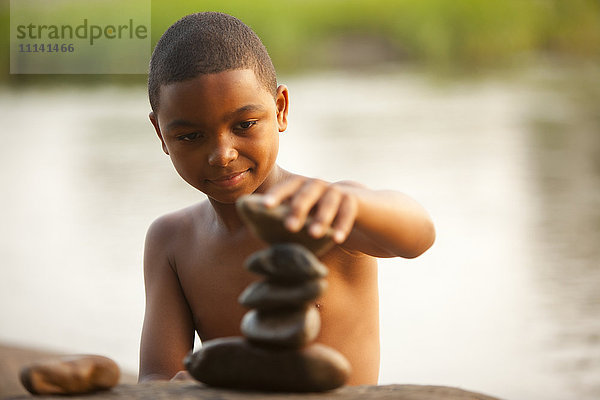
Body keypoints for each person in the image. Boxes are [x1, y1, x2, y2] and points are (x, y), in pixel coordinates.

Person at [139, 11, 435, 386]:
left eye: (244, 125)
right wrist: (177, 386)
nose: (222, 154)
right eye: (190, 136)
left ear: (280, 109)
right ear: (161, 134)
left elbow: (420, 234)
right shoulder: (171, 240)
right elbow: (155, 374)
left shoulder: (328, 209)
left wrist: (352, 204)